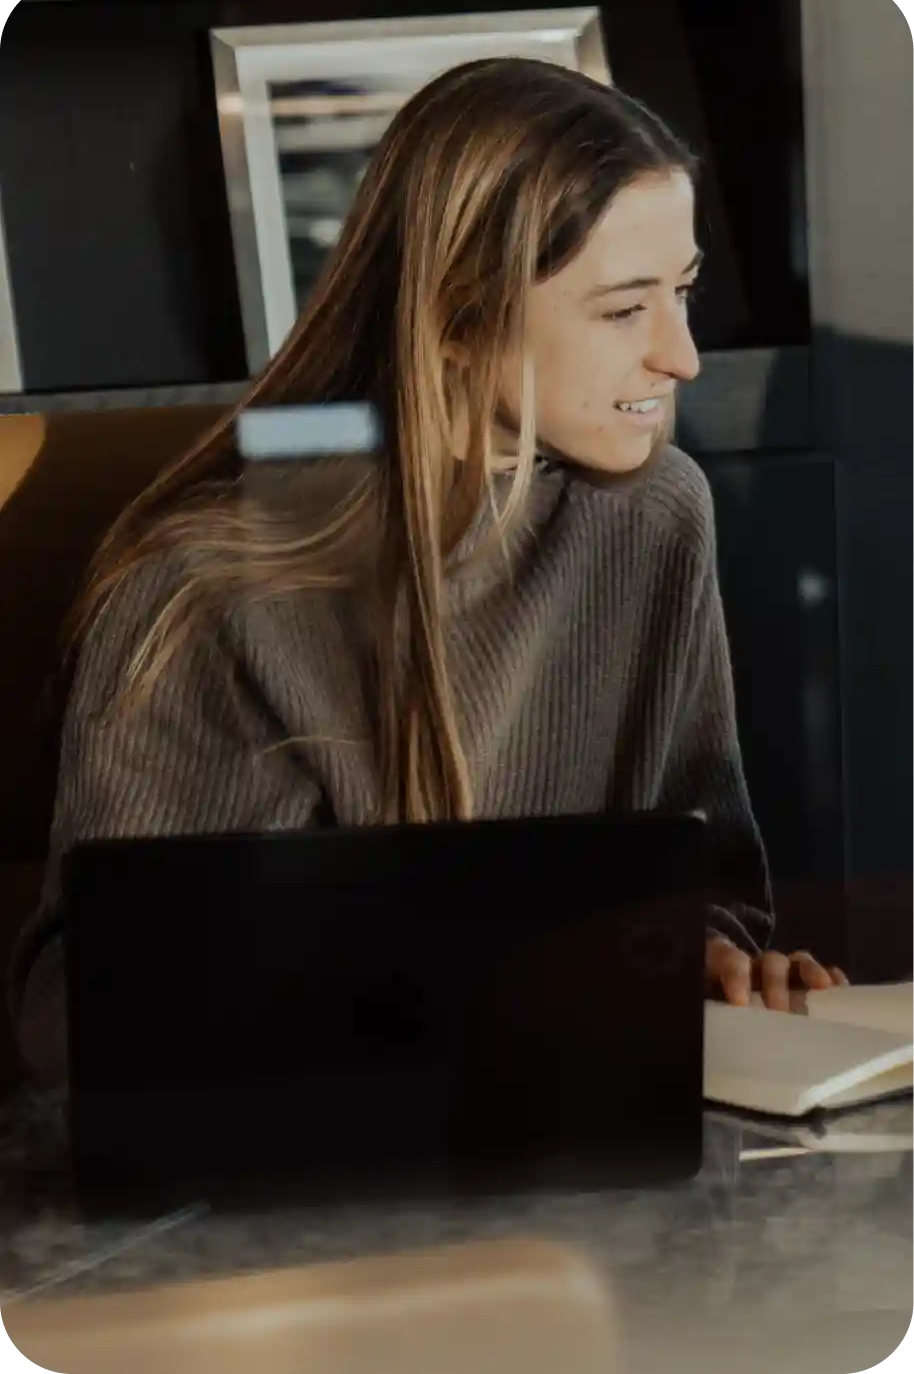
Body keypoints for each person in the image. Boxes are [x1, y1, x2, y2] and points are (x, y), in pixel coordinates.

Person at [8, 57, 848, 1087]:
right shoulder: (209, 588)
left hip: (578, 1127)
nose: (680, 357)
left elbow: (704, 880)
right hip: (302, 1182)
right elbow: (77, 1013)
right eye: (624, 309)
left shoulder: (652, 515)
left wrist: (709, 959)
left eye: (681, 292)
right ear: (455, 321)